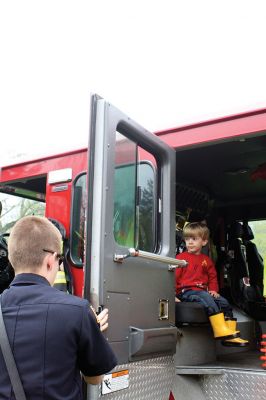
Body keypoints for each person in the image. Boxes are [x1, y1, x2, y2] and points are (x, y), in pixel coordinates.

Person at [0, 216, 117, 399]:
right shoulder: (78, 312)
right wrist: (93, 330)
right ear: (50, 260)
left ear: (11, 257)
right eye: (60, 260)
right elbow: (95, 378)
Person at [175, 221, 248, 347]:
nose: (190, 242)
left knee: (224, 302)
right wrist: (173, 295)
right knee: (206, 298)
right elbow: (174, 277)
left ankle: (230, 334)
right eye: (187, 239)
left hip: (202, 291)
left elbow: (212, 277)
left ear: (204, 242)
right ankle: (219, 329)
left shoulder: (206, 260)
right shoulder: (181, 258)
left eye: (194, 239)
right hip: (186, 292)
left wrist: (214, 290)